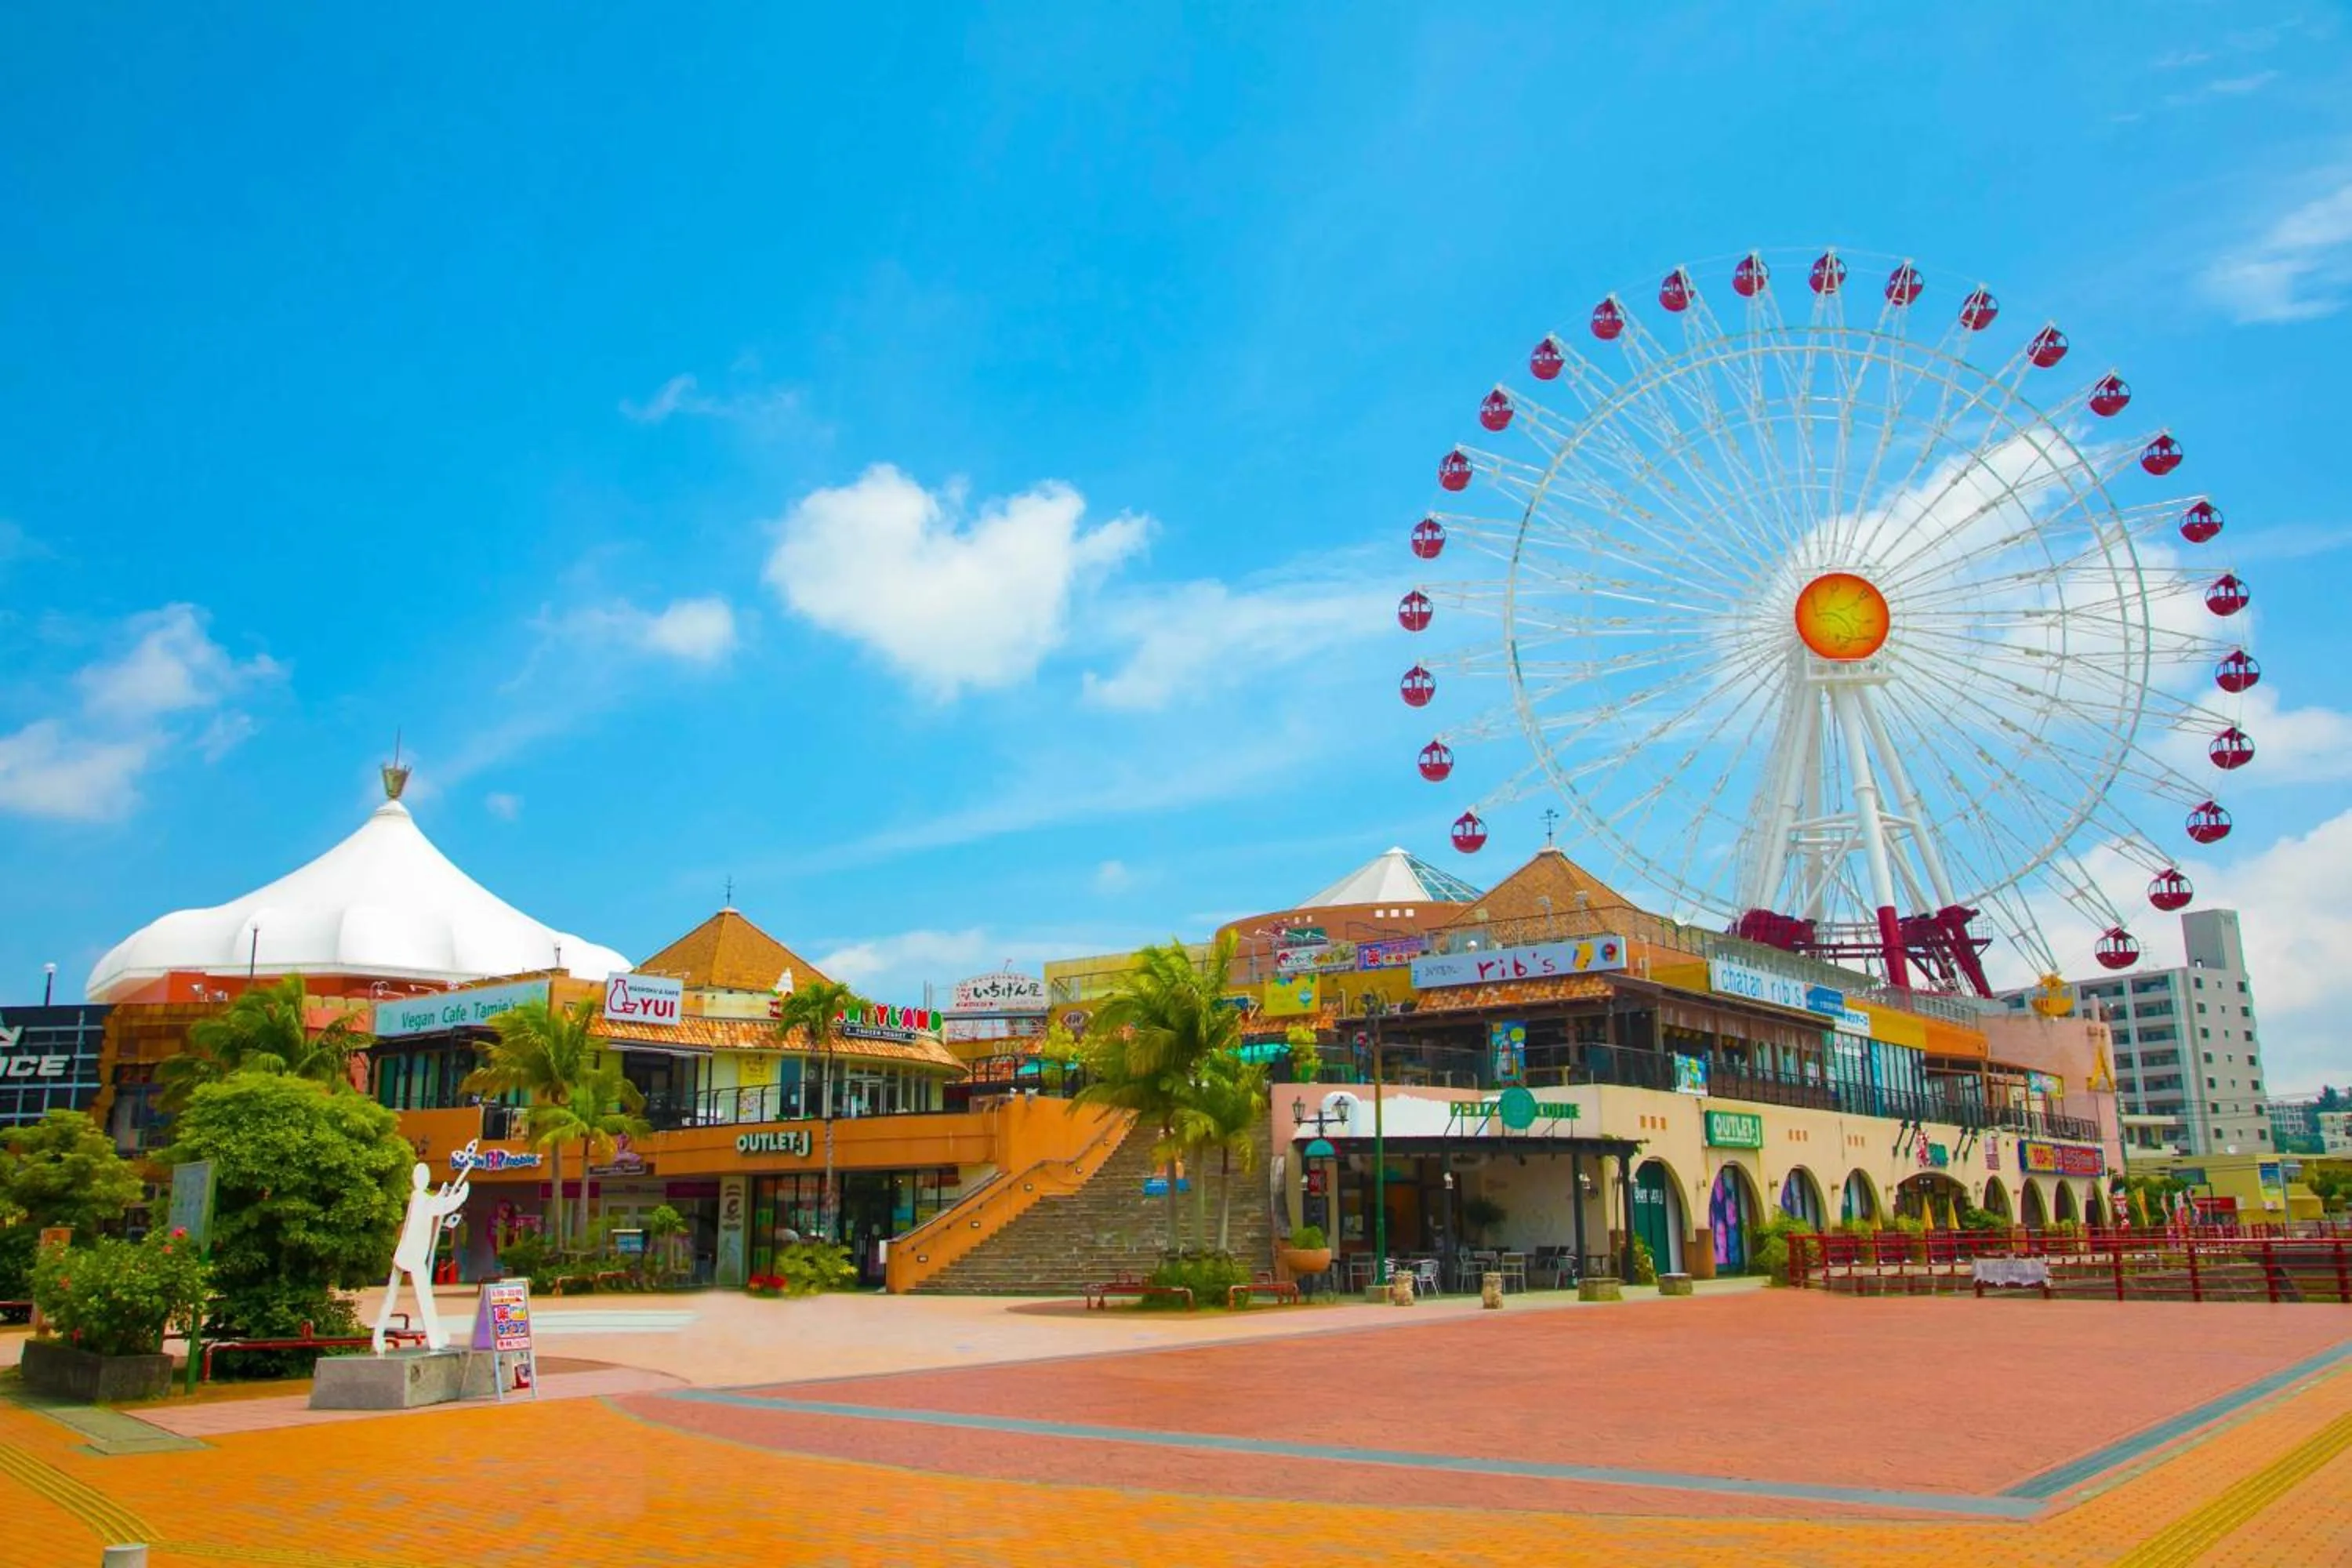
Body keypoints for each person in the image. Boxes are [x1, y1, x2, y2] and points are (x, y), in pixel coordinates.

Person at [372, 1161, 470, 1353]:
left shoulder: (419, 1199)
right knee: (422, 1298)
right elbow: (441, 1206)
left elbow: (437, 1205)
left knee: (393, 1296)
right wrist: (460, 1195)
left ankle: (379, 1335)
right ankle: (434, 1338)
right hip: (413, 1255)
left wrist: (445, 1195)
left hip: (407, 1253)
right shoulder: (421, 1199)